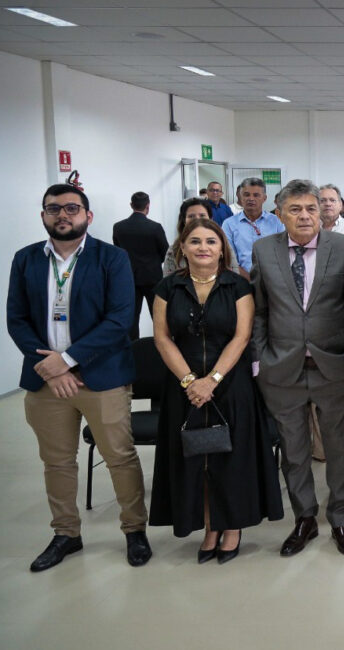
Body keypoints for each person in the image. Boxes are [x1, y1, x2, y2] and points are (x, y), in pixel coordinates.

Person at [8, 183, 152, 572]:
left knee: (119, 457)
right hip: (46, 382)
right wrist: (50, 368)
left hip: (100, 377)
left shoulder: (112, 258)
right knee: (56, 462)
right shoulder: (26, 259)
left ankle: (134, 530)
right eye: (53, 209)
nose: (62, 215)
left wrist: (68, 360)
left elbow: (121, 319)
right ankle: (66, 533)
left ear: (88, 216)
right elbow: (17, 319)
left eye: (72, 208)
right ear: (43, 216)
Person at [149, 217, 283, 563]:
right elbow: (163, 338)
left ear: (222, 248)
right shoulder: (167, 288)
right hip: (184, 384)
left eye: (211, 241)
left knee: (230, 459)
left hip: (230, 383)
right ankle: (209, 525)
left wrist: (213, 379)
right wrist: (190, 382)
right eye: (195, 241)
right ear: (182, 248)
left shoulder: (238, 286)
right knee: (195, 459)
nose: (203, 248)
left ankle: (233, 525)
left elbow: (241, 336)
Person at [250, 180, 344, 558]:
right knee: (294, 450)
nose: (304, 216)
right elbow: (260, 311)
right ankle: (305, 518)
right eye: (294, 209)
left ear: (323, 212)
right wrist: (259, 358)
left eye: (311, 209)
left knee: (340, 446)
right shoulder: (264, 250)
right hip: (281, 368)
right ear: (279, 213)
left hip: (334, 364)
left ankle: (341, 517)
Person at [113, 191, 168, 339]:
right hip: (153, 278)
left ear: (131, 205)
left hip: (129, 278)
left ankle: (133, 351)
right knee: (158, 317)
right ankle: (161, 349)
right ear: (148, 206)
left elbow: (119, 253)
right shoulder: (155, 227)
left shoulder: (118, 227)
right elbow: (165, 252)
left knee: (131, 318)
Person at [221, 177, 284, 277]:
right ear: (241, 197)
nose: (251, 198)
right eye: (246, 195)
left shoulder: (277, 222)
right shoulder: (229, 224)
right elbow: (230, 260)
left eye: (256, 195)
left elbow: (284, 254)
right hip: (241, 281)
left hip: (274, 280)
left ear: (264, 198)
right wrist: (249, 282)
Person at [164, 198, 240, 276]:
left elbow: (235, 279)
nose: (197, 220)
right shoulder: (174, 250)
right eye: (191, 216)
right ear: (184, 220)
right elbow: (167, 285)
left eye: (202, 215)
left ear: (211, 219)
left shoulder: (224, 246)